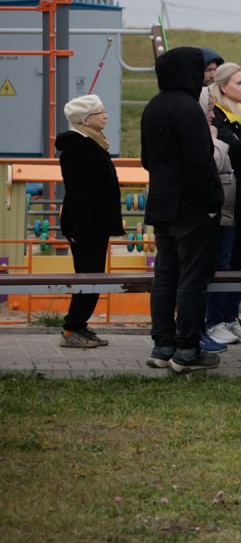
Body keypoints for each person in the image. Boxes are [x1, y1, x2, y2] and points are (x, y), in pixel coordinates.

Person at [141, 47, 224, 373]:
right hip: (191, 207)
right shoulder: (189, 109)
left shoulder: (153, 107)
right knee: (192, 279)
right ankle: (187, 348)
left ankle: (162, 345)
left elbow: (147, 160)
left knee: (165, 275)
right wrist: (212, 203)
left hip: (161, 203)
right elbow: (200, 162)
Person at [55, 95, 125, 349]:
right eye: (100, 112)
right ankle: (72, 329)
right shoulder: (79, 148)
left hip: (94, 223)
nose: (105, 116)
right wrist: (80, 227)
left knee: (93, 277)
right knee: (89, 278)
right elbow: (80, 191)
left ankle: (79, 325)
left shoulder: (90, 143)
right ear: (86, 119)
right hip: (86, 226)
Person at [206, 62, 241, 347]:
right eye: (239, 83)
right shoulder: (216, 115)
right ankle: (213, 320)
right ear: (223, 85)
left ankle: (231, 317)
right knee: (221, 260)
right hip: (228, 199)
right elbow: (231, 148)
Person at [198, 87, 236, 355]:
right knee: (201, 274)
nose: (213, 114)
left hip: (217, 212)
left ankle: (208, 326)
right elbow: (211, 164)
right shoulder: (201, 135)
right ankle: (202, 328)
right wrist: (218, 141)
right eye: (209, 109)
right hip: (203, 216)